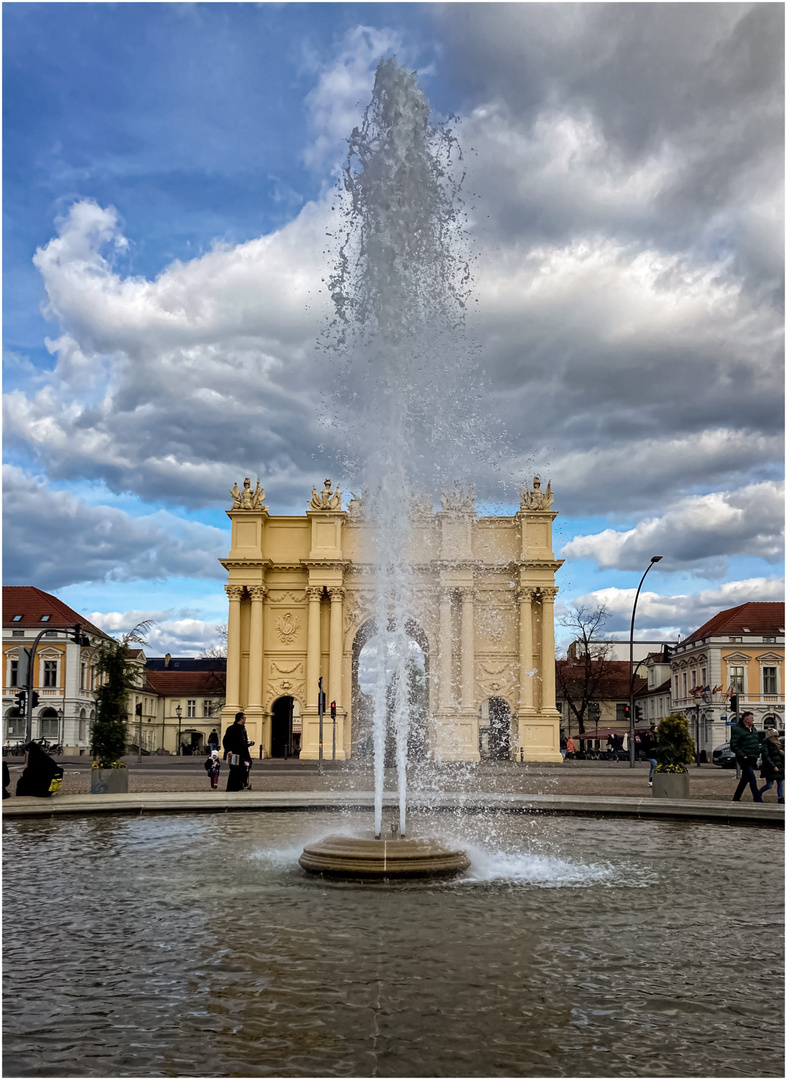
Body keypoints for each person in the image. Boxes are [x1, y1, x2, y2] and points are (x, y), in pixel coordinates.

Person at [730, 711, 763, 802]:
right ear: (746, 719)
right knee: (752, 778)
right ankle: (757, 799)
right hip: (744, 758)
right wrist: (742, 754)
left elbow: (756, 742)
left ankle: (736, 798)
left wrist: (759, 751)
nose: (753, 720)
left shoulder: (754, 729)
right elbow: (734, 745)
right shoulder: (738, 729)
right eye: (751, 718)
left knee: (745, 779)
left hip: (753, 757)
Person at [223, 713, 255, 791]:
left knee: (245, 767)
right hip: (234, 753)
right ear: (241, 718)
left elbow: (242, 742)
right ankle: (231, 787)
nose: (245, 719)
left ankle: (240, 784)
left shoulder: (243, 728)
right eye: (244, 718)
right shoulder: (232, 728)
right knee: (234, 770)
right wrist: (229, 750)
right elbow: (226, 740)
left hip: (243, 753)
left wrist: (249, 743)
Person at [758, 728, 784, 803]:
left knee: (780, 783)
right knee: (769, 785)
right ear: (770, 737)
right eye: (775, 736)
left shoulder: (778, 744)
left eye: (778, 736)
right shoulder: (766, 745)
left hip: (778, 766)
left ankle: (780, 798)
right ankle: (758, 793)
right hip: (770, 768)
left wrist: (783, 754)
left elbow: (780, 757)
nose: (777, 738)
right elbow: (766, 757)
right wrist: (773, 766)